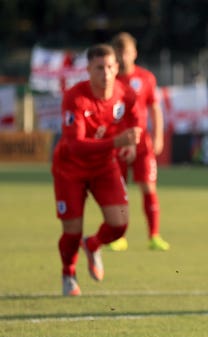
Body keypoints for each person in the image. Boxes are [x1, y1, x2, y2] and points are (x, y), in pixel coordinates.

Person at [52, 44, 142, 296]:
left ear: (117, 68)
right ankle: (68, 273)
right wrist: (117, 142)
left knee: (120, 224)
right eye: (99, 68)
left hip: (104, 166)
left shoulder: (124, 93)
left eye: (111, 67)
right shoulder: (75, 97)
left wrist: (133, 143)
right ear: (88, 69)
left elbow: (137, 117)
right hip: (69, 169)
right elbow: (75, 145)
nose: (106, 73)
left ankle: (92, 245)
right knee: (71, 231)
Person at [108, 32, 170, 252]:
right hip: (116, 144)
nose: (123, 57)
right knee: (118, 191)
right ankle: (119, 236)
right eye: (119, 52)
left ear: (134, 53)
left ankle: (154, 236)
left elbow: (154, 107)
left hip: (142, 143)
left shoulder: (146, 78)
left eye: (126, 52)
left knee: (148, 187)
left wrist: (158, 135)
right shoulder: (109, 79)